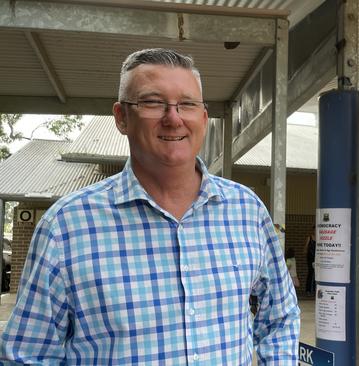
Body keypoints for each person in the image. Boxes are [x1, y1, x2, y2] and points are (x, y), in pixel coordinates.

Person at [0, 48, 300, 364]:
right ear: (121, 117)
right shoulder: (65, 227)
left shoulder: (247, 211)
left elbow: (280, 315)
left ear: (203, 117)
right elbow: (26, 356)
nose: (173, 118)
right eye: (153, 102)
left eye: (187, 104)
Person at [304, 226, 316, 295]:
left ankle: (314, 290)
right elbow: (305, 248)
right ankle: (308, 290)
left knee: (316, 274)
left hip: (317, 258)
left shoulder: (320, 238)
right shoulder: (310, 238)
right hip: (311, 258)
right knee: (311, 273)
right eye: (314, 230)